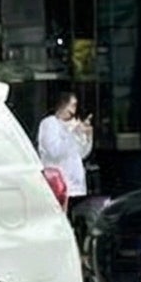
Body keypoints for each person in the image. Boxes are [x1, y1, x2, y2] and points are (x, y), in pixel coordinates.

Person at [37, 88, 92, 217]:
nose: (74, 110)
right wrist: (74, 133)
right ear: (62, 104)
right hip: (59, 184)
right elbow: (54, 151)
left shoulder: (71, 125)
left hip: (75, 186)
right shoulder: (49, 124)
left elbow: (81, 154)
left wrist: (87, 137)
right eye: (72, 105)